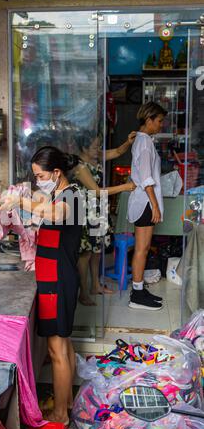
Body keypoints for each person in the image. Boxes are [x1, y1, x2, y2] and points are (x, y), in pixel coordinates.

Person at [0, 146, 83, 426]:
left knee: (56, 351)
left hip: (58, 281)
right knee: (65, 345)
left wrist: (19, 202)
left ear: (57, 173)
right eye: (34, 176)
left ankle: (60, 416)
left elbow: (57, 215)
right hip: (53, 279)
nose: (37, 181)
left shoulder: (71, 196)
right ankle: (67, 402)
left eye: (41, 175)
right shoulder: (57, 194)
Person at [71, 130, 136, 305]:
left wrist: (128, 142)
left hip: (98, 210)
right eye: (95, 146)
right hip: (84, 212)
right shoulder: (79, 166)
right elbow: (97, 191)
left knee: (97, 250)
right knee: (85, 253)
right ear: (84, 147)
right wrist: (125, 187)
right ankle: (83, 292)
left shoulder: (95, 156)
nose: (98, 149)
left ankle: (96, 286)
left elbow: (117, 152)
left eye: (99, 145)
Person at [127, 101, 167, 311]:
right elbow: (145, 178)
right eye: (159, 121)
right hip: (145, 202)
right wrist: (155, 206)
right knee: (142, 249)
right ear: (149, 120)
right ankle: (137, 294)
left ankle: (139, 289)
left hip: (144, 201)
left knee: (142, 249)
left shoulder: (144, 142)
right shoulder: (144, 143)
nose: (161, 125)